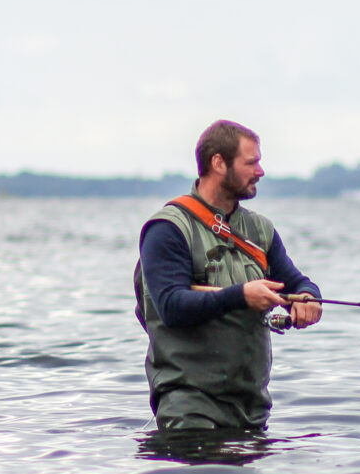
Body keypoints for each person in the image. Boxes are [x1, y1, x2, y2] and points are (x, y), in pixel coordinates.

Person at [133, 120, 322, 431]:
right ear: (218, 163)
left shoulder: (260, 230)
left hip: (251, 408)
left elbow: (296, 281)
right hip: (189, 407)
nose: (260, 171)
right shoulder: (167, 229)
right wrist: (242, 296)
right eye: (251, 162)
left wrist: (308, 298)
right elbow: (170, 306)